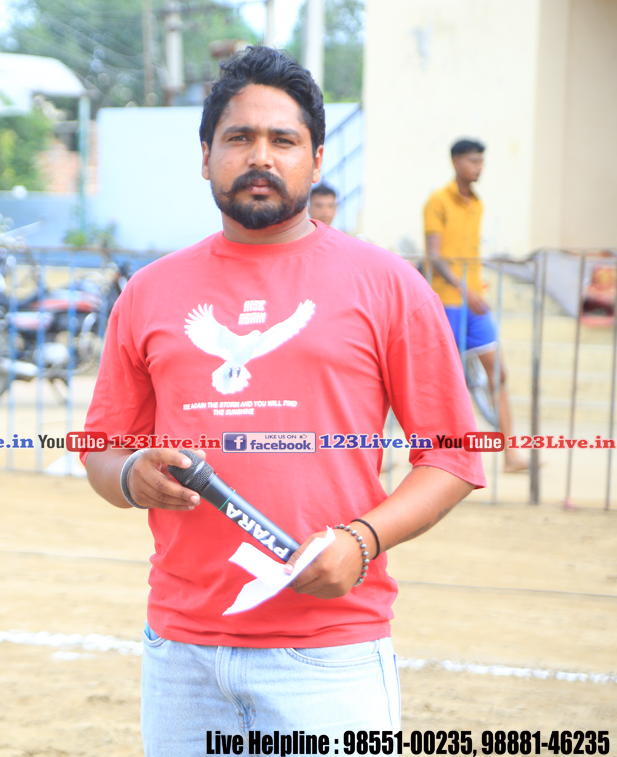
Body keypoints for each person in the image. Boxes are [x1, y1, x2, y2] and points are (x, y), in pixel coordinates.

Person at [82, 46, 485, 749]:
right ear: (205, 156)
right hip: (182, 654)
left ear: (317, 159)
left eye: (283, 140)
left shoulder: (387, 285)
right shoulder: (149, 292)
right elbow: (102, 451)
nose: (260, 157)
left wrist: (361, 541)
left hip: (329, 653)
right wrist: (129, 476)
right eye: (239, 138)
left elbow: (452, 458)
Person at [423, 139, 529, 472]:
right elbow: (434, 256)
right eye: (473, 161)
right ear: (456, 162)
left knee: (498, 373)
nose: (479, 167)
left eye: (481, 161)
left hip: (474, 303)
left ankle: (511, 455)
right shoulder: (438, 201)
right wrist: (463, 289)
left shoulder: (478, 203)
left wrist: (475, 290)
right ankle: (445, 460)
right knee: (447, 385)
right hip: (448, 302)